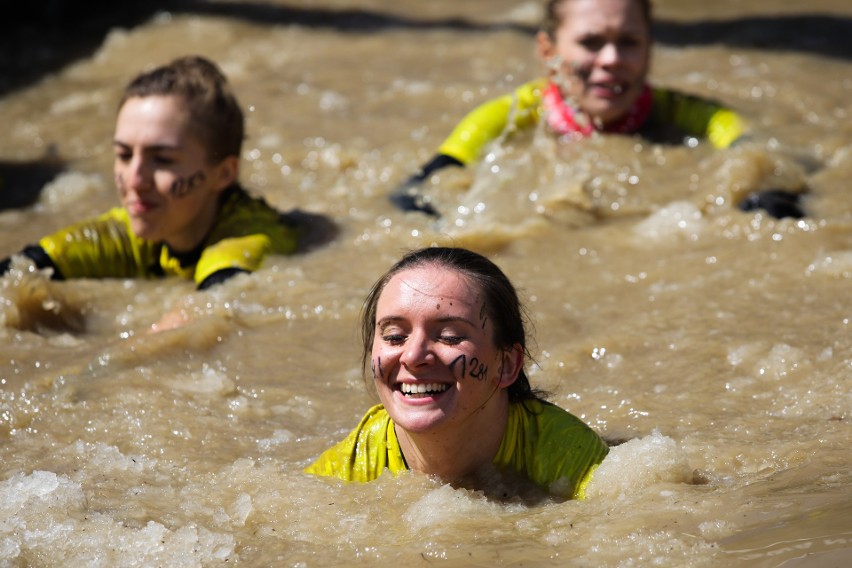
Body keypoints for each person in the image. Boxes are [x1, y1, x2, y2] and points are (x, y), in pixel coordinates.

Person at [389, 0, 804, 220]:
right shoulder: (507, 118)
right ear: (547, 50)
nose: (611, 59)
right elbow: (424, 186)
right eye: (591, 42)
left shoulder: (696, 117)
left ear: (649, 48)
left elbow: (764, 158)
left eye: (629, 42)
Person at [0, 56, 329, 330]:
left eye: (163, 159)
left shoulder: (248, 237)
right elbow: (18, 273)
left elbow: (216, 304)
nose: (135, 179)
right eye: (124, 155)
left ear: (224, 173)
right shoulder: (130, 232)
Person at [305, 247, 609, 499]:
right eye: (395, 336)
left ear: (506, 365)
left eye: (450, 336)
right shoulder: (354, 462)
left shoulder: (572, 458)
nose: (413, 356)